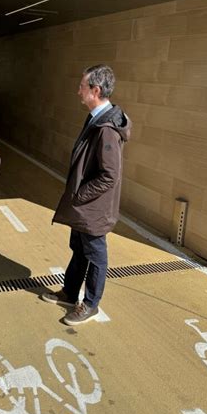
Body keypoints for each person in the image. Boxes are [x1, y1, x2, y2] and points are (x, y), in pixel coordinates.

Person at [42, 64, 131, 326]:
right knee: (79, 249)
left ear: (96, 90)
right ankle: (70, 293)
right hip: (86, 206)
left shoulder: (106, 129)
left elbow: (110, 175)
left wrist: (80, 195)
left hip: (93, 208)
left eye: (82, 87)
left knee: (96, 255)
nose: (77, 91)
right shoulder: (95, 118)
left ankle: (90, 304)